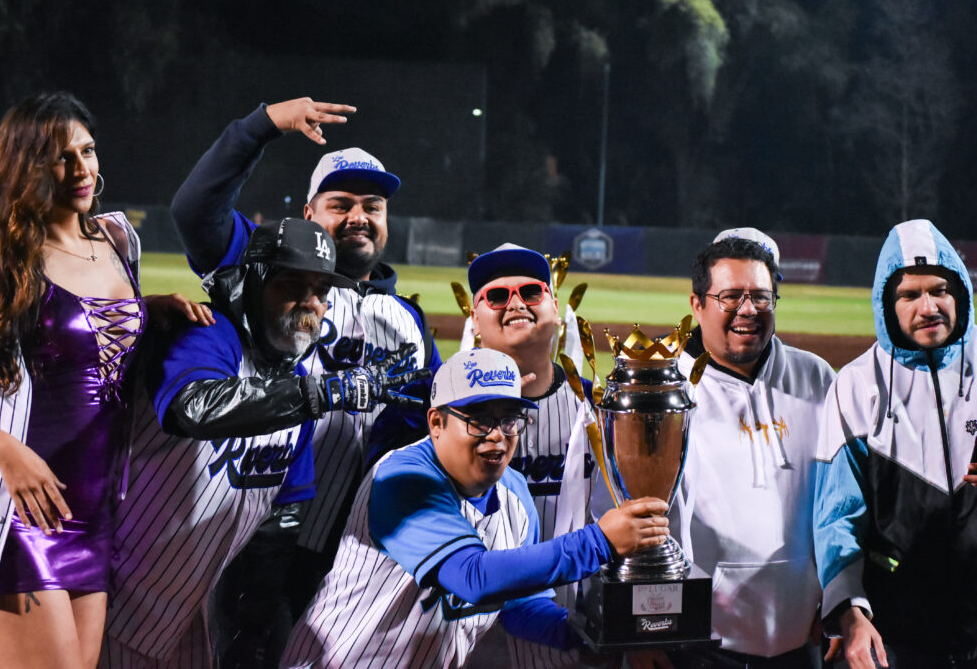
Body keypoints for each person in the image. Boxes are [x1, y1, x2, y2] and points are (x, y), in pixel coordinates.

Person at [164, 96, 439, 667]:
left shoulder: (409, 325)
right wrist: (260, 127)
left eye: (373, 205)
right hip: (257, 530)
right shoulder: (267, 273)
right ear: (311, 214)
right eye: (341, 204)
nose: (359, 216)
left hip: (354, 546)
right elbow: (195, 211)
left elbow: (421, 434)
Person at [98, 217, 427, 667]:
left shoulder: (296, 390)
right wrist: (323, 393)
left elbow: (277, 523)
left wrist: (258, 612)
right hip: (108, 599)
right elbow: (194, 408)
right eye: (292, 283)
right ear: (253, 283)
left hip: (188, 621)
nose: (308, 303)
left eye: (321, 292)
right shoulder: (207, 333)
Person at [0, 92, 209, 669]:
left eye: (87, 150)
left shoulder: (118, 242)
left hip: (95, 511)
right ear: (24, 167)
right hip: (17, 510)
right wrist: (6, 453)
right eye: (57, 157)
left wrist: (152, 309)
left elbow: (84, 336)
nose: (80, 169)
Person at [280, 347, 671, 668]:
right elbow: (473, 577)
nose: (498, 436)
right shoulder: (401, 478)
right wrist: (599, 542)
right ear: (436, 422)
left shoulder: (515, 493)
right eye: (479, 419)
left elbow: (518, 603)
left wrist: (592, 636)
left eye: (509, 419)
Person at [814, 218, 977, 669]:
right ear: (887, 303)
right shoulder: (856, 386)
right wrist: (849, 614)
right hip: (896, 635)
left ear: (960, 292)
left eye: (939, 290)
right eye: (909, 294)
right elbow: (836, 520)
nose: (928, 307)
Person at [669, 229, 834, 668]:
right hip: (700, 645)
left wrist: (839, 597)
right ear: (697, 303)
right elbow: (626, 518)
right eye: (730, 297)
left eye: (761, 296)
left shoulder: (816, 377)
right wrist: (643, 632)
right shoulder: (664, 389)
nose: (748, 310)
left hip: (803, 640)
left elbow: (844, 501)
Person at [463, 243, 596, 669]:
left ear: (557, 309)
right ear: (474, 320)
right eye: (497, 296)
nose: (515, 302)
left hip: (573, 633)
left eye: (531, 291)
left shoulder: (602, 411)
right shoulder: (438, 413)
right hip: (468, 638)